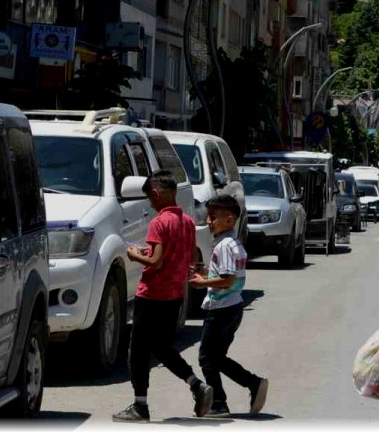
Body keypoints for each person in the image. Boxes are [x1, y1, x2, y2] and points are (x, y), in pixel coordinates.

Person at [114, 171, 214, 423]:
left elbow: (156, 262)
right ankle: (196, 385)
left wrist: (135, 255)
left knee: (137, 350)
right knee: (161, 347)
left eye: (150, 198)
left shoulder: (159, 223)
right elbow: (190, 258)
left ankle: (140, 406)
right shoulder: (188, 222)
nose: (150, 203)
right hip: (174, 296)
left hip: (151, 296)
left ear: (157, 194)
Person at [189, 195, 269, 417]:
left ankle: (219, 403)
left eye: (213, 217)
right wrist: (207, 273)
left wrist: (202, 282)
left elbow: (227, 279)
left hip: (221, 308)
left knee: (206, 357)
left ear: (229, 220)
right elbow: (226, 274)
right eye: (208, 217)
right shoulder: (233, 243)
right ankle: (254, 383)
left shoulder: (224, 245)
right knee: (217, 358)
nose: (208, 222)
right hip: (233, 307)